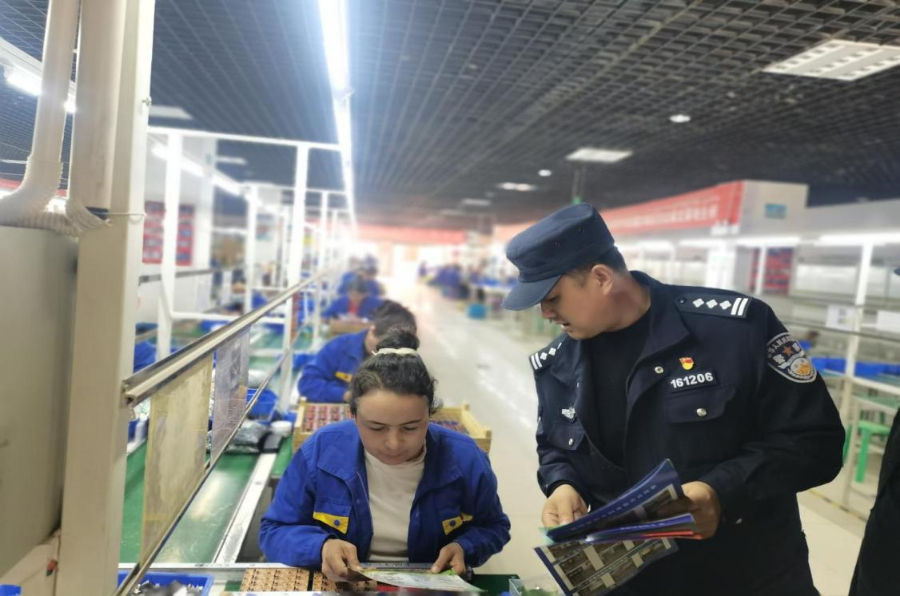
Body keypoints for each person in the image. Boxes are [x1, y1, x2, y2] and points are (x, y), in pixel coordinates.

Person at [502, 203, 844, 596]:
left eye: (552, 297)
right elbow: (554, 447)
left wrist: (721, 492)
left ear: (601, 278)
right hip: (631, 582)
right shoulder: (556, 365)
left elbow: (814, 442)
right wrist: (564, 485)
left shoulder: (736, 331)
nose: (545, 312)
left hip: (746, 574)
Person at [260, 330, 511, 579]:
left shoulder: (465, 459)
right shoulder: (320, 452)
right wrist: (321, 547)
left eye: (410, 428)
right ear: (353, 416)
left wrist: (464, 547)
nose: (393, 443)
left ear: (430, 416)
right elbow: (274, 530)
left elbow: (494, 526)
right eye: (376, 428)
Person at [298, 301, 416, 403]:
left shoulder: (404, 357)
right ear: (372, 330)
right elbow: (307, 383)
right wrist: (346, 395)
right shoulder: (339, 347)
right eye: (381, 348)